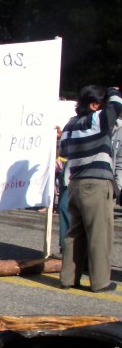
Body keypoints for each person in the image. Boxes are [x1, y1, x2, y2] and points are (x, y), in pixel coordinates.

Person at [59, 85, 122, 293]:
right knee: (99, 234)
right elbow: (115, 108)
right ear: (94, 105)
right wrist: (113, 91)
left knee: (74, 234)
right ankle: (100, 282)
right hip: (96, 183)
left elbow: (64, 150)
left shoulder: (70, 125)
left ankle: (68, 278)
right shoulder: (95, 120)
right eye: (101, 104)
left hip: (75, 183)